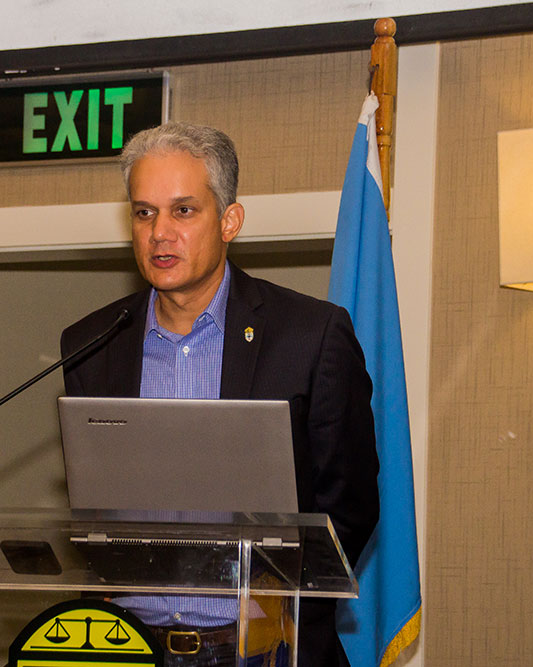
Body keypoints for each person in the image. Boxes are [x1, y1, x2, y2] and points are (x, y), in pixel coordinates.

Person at [61, 121, 379, 665]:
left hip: (263, 650)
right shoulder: (92, 343)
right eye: (144, 212)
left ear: (229, 221)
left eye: (183, 210)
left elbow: (349, 508)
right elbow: (97, 509)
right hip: (131, 648)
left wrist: (275, 595)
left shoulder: (310, 335)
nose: (160, 232)